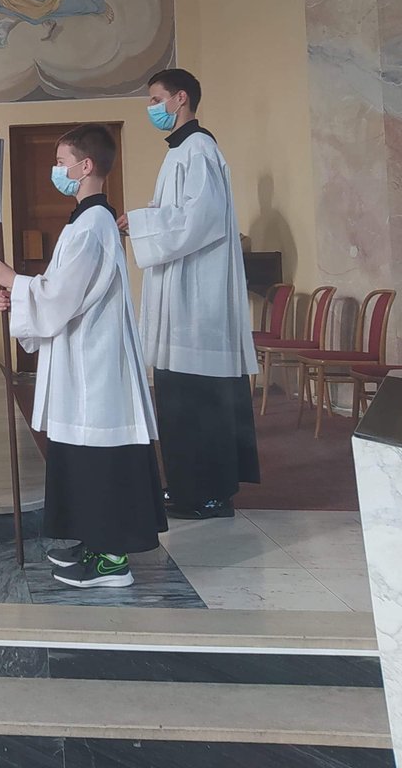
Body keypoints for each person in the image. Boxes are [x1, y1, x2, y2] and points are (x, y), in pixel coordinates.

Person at [0, 124, 163, 587]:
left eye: (61, 162)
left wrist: (16, 283)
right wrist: (20, 297)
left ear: (85, 166)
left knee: (100, 458)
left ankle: (112, 561)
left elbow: (61, 294)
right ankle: (93, 541)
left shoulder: (93, 225)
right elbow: (59, 290)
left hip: (95, 364)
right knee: (83, 456)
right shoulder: (87, 221)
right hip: (84, 358)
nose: (57, 170)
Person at [119, 69, 260, 520]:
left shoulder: (198, 150)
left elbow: (201, 220)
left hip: (197, 300)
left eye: (156, 99)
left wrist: (144, 221)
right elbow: (178, 214)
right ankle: (185, 486)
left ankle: (208, 494)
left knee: (199, 400)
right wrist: (146, 219)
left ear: (181, 98)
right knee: (179, 398)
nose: (151, 108)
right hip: (181, 294)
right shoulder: (181, 152)